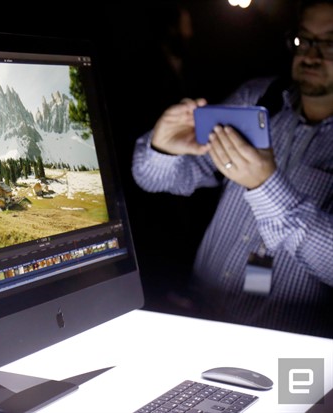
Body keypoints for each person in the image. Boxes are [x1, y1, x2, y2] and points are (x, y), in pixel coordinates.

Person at [131, 0, 333, 338]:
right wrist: (163, 148)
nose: (311, 55)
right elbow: (151, 178)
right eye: (304, 39)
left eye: (329, 43)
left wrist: (266, 185)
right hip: (199, 322)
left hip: (288, 347)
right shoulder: (259, 98)